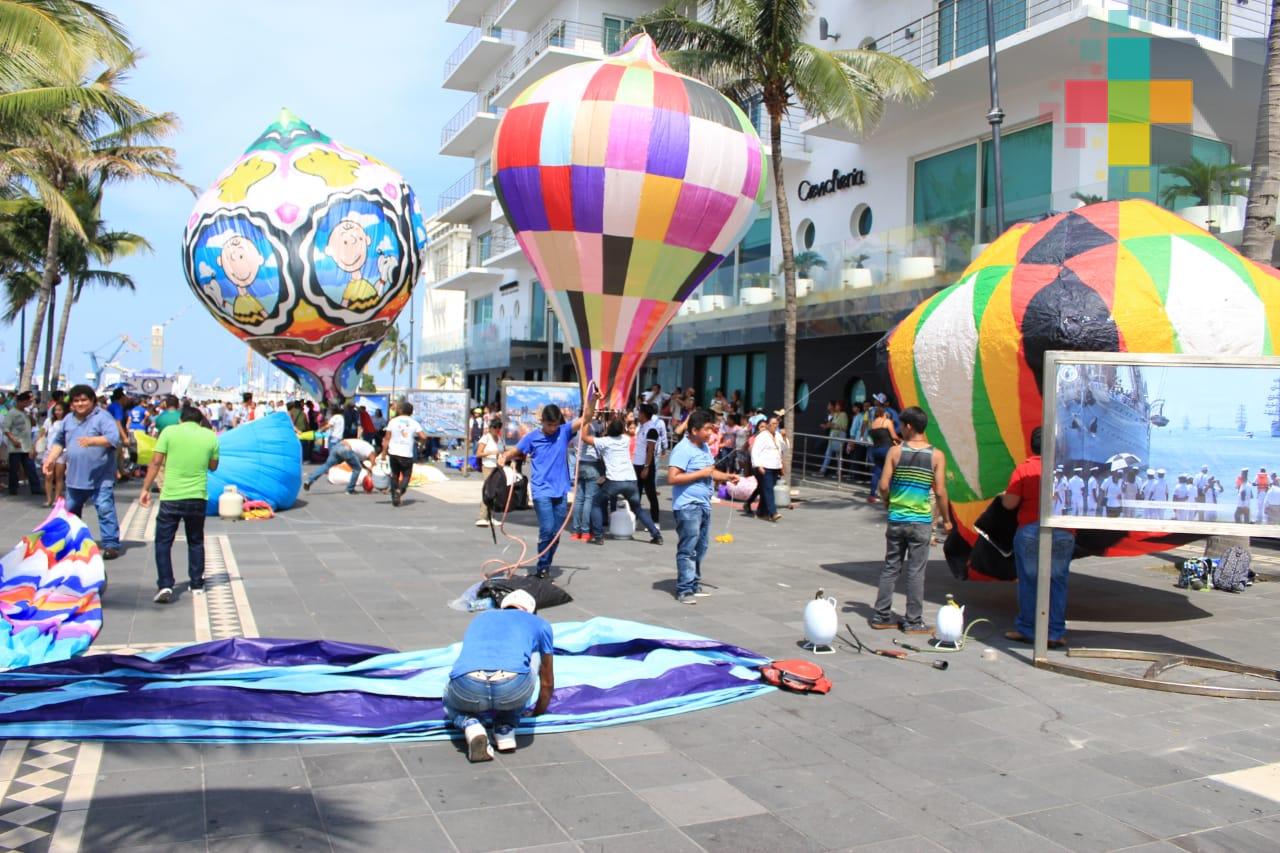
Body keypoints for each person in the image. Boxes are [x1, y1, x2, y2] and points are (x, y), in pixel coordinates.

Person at [445, 589, 555, 762]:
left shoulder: (480, 618)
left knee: (450, 701)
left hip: (468, 684)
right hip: (512, 688)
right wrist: (537, 714)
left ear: (503, 607)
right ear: (531, 611)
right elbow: (547, 683)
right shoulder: (540, 624)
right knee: (534, 654)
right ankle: (505, 727)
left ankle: (471, 725)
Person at [870, 406, 951, 634]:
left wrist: (888, 502)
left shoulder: (895, 453)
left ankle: (881, 616)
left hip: (896, 519)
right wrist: (947, 520)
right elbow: (942, 492)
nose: (898, 430)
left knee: (891, 567)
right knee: (916, 572)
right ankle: (913, 622)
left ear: (908, 426)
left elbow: (883, 485)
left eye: (900, 425)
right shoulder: (937, 455)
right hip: (921, 522)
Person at [499, 396, 596, 577]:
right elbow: (516, 451)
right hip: (541, 490)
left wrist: (593, 400)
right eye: (549, 425)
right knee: (547, 529)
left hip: (560, 490)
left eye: (555, 425)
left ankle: (546, 564)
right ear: (541, 421)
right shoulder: (532, 438)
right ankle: (542, 567)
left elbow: (587, 418)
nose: (552, 428)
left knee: (556, 534)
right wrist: (504, 456)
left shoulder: (564, 431)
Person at [1001, 427, 1073, 648]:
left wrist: (1005, 496)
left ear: (1032, 445)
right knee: (1058, 581)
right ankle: (1055, 632)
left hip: (1031, 530)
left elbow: (1009, 503)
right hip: (1064, 530)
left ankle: (1028, 629)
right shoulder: (1067, 471)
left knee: (1030, 581)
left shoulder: (1025, 469)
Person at [139, 406, 219, 603]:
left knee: (163, 542)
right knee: (196, 541)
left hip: (171, 496)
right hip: (197, 497)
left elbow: (156, 462)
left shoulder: (169, 432)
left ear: (181, 420)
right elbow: (213, 466)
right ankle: (197, 583)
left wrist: (145, 489)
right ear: (200, 421)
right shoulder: (210, 436)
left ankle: (166, 584)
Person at [667, 409, 738, 604]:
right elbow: (672, 478)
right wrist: (701, 473)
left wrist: (726, 477)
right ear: (694, 430)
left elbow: (710, 472)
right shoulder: (683, 449)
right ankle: (684, 589)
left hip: (704, 505)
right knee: (688, 547)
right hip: (688, 506)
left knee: (701, 547)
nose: (711, 433)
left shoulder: (704, 448)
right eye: (707, 429)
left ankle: (693, 583)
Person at [44, 385, 121, 559]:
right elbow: (59, 442)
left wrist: (93, 440)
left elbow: (112, 438)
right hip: (74, 477)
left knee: (105, 509)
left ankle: (111, 544)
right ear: (71, 403)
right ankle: (73, 542)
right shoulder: (68, 420)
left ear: (93, 401)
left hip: (101, 477)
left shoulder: (102, 417)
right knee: (71, 512)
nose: (80, 403)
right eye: (76, 400)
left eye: (84, 400)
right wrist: (50, 460)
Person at [580, 400, 663, 546]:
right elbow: (622, 430)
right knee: (637, 508)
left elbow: (584, 438)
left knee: (596, 503)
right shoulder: (625, 439)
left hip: (614, 481)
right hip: (631, 480)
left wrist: (586, 421)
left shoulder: (604, 441)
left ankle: (598, 536)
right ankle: (656, 535)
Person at [303, 424, 374, 495]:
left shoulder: (363, 448)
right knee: (357, 469)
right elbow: (372, 461)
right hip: (346, 449)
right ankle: (350, 489)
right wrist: (370, 472)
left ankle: (309, 480)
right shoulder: (371, 449)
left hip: (337, 447)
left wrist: (366, 468)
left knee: (326, 466)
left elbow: (358, 463)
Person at [381, 401, 426, 507]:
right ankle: (400, 491)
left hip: (393, 453)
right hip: (407, 453)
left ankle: (394, 498)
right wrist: (421, 446)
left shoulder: (393, 421)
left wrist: (383, 453)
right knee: (406, 475)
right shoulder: (414, 422)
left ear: (401, 410)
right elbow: (423, 437)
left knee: (394, 475)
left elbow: (387, 438)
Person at [569, 415, 603, 541]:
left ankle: (575, 530)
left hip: (580, 463)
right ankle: (585, 531)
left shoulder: (575, 424)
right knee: (589, 499)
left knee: (579, 499)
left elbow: (571, 443)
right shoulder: (594, 425)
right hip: (592, 463)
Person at [4, 391, 42, 497]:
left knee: (30, 468)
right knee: (14, 468)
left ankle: (36, 488)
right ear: (20, 401)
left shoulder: (25, 413)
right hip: (15, 446)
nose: (27, 404)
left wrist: (30, 416)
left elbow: (33, 424)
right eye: (26, 402)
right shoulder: (12, 413)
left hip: (26, 445)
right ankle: (13, 488)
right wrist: (13, 440)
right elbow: (6, 429)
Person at [749, 415, 786, 521]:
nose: (776, 426)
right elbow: (755, 451)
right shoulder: (762, 436)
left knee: (767, 489)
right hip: (765, 466)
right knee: (768, 489)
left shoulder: (778, 435)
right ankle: (773, 513)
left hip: (776, 466)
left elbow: (784, 449)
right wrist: (758, 465)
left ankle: (761, 511)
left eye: (777, 424)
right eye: (773, 424)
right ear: (768, 425)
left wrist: (784, 437)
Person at [632, 403, 661, 524]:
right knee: (635, 495)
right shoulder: (641, 427)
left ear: (643, 414)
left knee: (651, 495)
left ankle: (655, 522)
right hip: (636, 465)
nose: (637, 415)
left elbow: (650, 449)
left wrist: (646, 467)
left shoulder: (652, 428)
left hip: (646, 466)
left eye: (639, 412)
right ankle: (634, 519)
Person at [475, 417, 506, 526]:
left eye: (498, 427)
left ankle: (491, 516)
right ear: (491, 428)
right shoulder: (485, 438)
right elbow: (478, 453)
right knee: (488, 490)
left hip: (498, 467)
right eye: (494, 427)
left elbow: (503, 451)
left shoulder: (500, 439)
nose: (496, 429)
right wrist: (491, 452)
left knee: (496, 492)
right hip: (488, 466)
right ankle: (482, 516)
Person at [866, 406, 898, 503]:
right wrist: (901, 441)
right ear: (883, 414)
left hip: (875, 449)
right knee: (892, 472)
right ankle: (892, 496)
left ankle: (872, 495)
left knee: (877, 471)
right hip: (886, 449)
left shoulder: (873, 423)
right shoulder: (886, 422)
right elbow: (894, 436)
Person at [41, 400, 68, 507]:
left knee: (59, 477)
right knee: (48, 476)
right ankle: (48, 498)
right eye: (56, 410)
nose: (57, 412)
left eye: (60, 410)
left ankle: (57, 498)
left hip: (62, 451)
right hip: (49, 451)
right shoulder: (49, 421)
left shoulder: (66, 422)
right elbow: (43, 433)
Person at [817, 401, 849, 478]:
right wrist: (826, 426)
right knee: (829, 454)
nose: (836, 407)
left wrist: (834, 425)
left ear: (841, 407)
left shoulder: (843, 415)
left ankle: (838, 472)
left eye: (838, 405)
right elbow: (830, 425)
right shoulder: (835, 415)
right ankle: (823, 471)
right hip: (832, 437)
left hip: (838, 437)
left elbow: (844, 427)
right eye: (836, 405)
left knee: (838, 455)